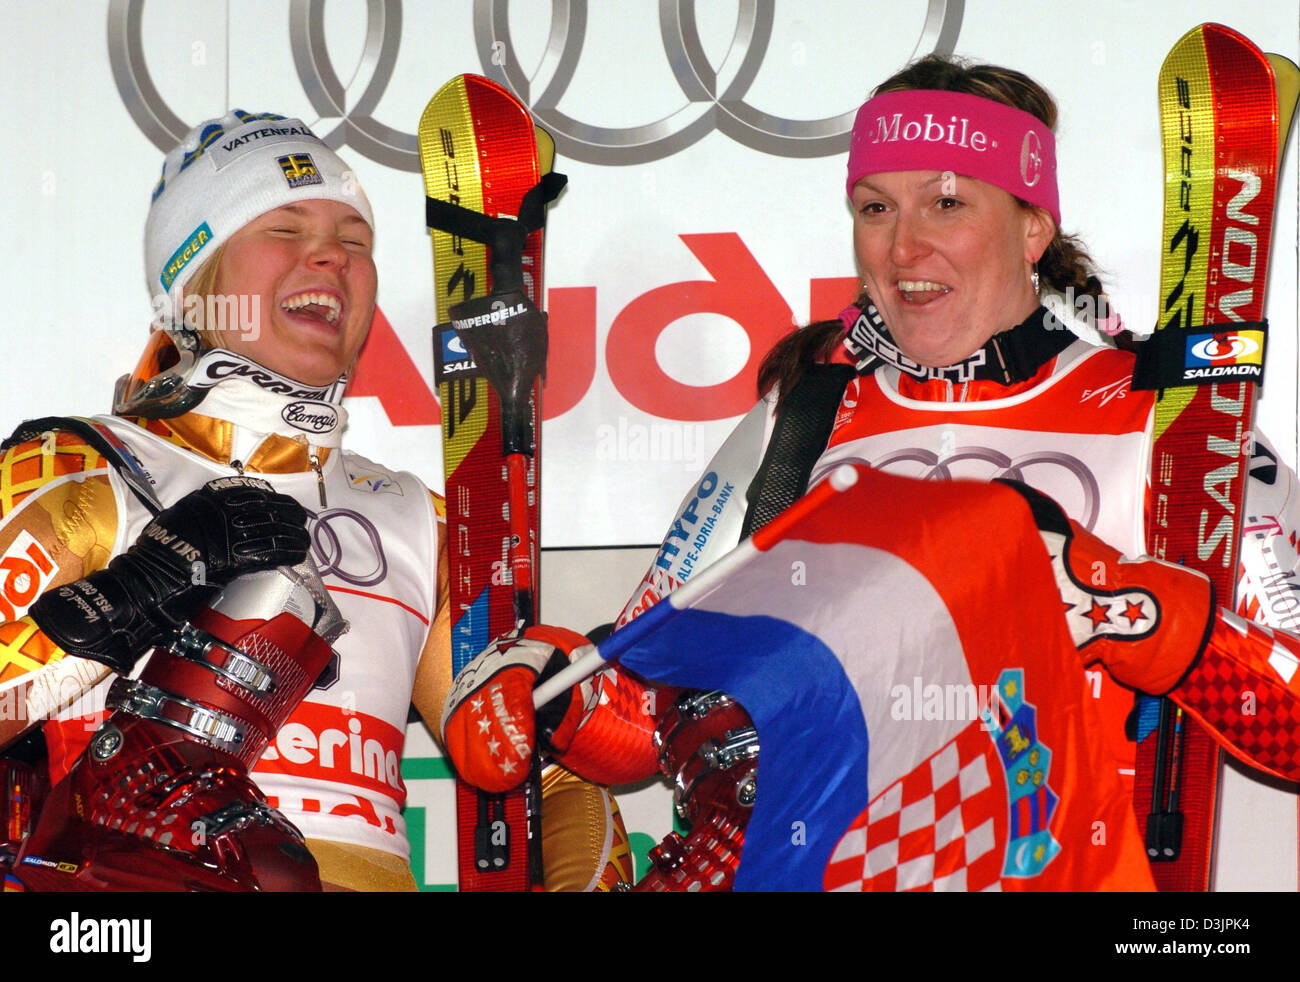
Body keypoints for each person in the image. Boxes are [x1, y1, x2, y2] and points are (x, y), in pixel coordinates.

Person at [440, 55, 1300, 890]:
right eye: (875, 207)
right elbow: (644, 707)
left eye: (948, 203)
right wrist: (544, 689)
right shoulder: (804, 419)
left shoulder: (1158, 416)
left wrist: (1127, 608)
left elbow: (1290, 716)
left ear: (1033, 227)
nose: (905, 246)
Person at [0, 109, 628, 891]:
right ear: (192, 287)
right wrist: (140, 589)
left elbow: (546, 785)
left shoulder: (423, 520)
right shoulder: (80, 468)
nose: (331, 254)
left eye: (355, 241)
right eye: (286, 229)